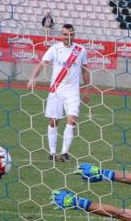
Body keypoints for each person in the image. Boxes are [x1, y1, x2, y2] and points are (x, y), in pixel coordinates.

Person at [26, 23, 87, 163]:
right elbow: (42, 63)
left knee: (72, 120)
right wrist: (32, 78)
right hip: (56, 89)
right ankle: (52, 152)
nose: (68, 37)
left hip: (73, 91)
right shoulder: (54, 49)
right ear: (61, 35)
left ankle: (65, 152)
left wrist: (88, 89)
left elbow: (85, 70)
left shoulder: (81, 50)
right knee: (53, 121)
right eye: (65, 34)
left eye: (71, 34)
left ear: (74, 35)